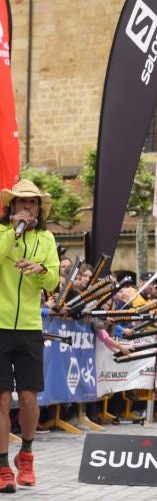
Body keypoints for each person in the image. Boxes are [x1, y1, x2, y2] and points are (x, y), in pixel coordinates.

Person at [1, 179, 61, 492]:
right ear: (11, 207)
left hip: (29, 327)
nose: (27, 207)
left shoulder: (47, 238)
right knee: (0, 399)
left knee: (27, 398)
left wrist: (40, 270)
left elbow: (54, 279)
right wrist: (13, 233)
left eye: (32, 202)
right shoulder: (2, 234)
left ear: (39, 208)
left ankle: (26, 455)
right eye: (21, 202)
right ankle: (1, 467)